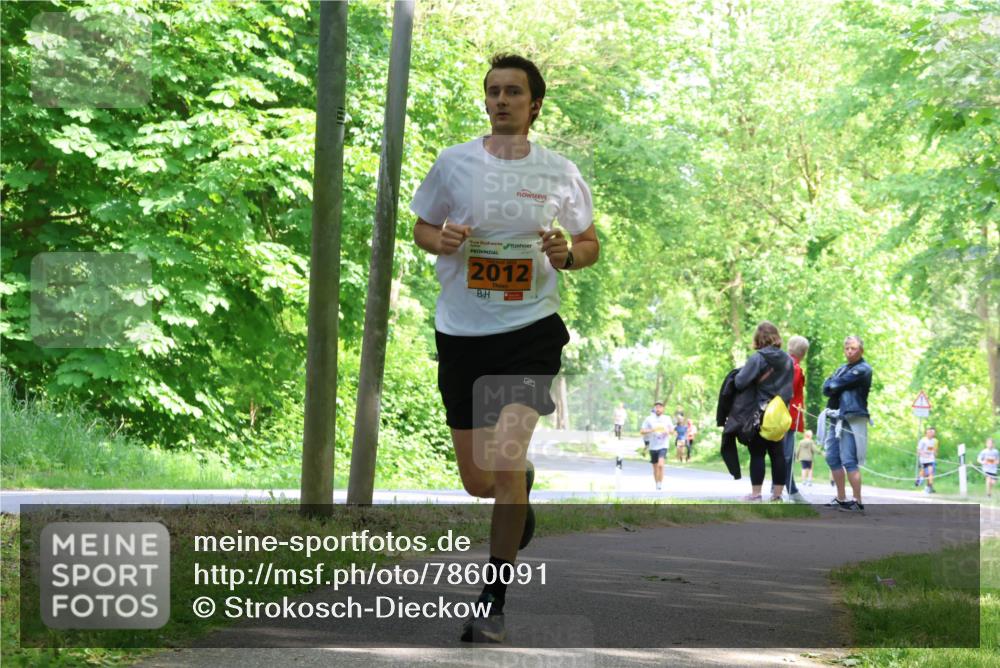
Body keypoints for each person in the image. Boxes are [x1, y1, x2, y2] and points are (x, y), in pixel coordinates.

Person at [410, 53, 600, 643]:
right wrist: (440, 239)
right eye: (493, 91)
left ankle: (492, 601)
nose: (501, 100)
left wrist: (568, 255)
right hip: (462, 334)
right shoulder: (454, 163)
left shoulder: (559, 173)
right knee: (478, 480)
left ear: (534, 105)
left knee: (508, 460)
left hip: (529, 333)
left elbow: (589, 243)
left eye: (513, 91)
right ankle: (517, 491)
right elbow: (421, 227)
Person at [733, 322, 794, 502]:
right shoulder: (787, 359)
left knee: (758, 453)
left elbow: (740, 382)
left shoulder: (757, 358)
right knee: (778, 454)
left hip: (760, 412)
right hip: (780, 413)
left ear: (758, 338)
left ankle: (756, 494)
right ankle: (777, 495)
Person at [822, 335, 873, 513]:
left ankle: (857, 501)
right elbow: (826, 388)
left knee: (849, 460)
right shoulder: (842, 368)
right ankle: (841, 498)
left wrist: (834, 384)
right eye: (847, 348)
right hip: (835, 417)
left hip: (851, 418)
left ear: (861, 350)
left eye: (854, 348)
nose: (850, 351)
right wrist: (833, 384)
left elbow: (835, 385)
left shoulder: (864, 369)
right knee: (832, 457)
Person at [784, 335, 810, 503]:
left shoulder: (783, 364)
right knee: (787, 454)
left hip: (782, 416)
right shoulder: (795, 368)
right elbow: (789, 392)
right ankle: (790, 490)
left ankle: (781, 489)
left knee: (783, 453)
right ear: (803, 352)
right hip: (788, 416)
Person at [640, 402, 673, 490]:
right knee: (655, 467)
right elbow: (642, 431)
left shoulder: (667, 418)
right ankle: (657, 483)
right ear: (654, 409)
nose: (658, 409)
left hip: (663, 445)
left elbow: (672, 431)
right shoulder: (649, 419)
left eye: (660, 407)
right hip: (653, 446)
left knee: (661, 465)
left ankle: (660, 483)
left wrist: (668, 431)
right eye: (656, 407)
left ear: (663, 409)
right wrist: (651, 430)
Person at [915, 427, 939, 494]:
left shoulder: (934, 441)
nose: (931, 434)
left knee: (930, 472)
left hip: (931, 459)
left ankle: (929, 487)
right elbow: (918, 450)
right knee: (924, 473)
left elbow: (933, 449)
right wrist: (924, 454)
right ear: (926, 433)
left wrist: (934, 453)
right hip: (923, 459)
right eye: (929, 432)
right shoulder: (923, 440)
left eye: (932, 433)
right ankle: (919, 479)